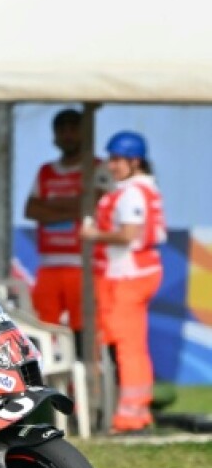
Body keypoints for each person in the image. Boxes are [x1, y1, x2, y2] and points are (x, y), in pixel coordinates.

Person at [81, 130, 165, 434]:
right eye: (111, 158)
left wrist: (94, 236)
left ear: (135, 160)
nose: (111, 165)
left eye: (117, 159)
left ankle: (132, 415)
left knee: (128, 347)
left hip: (128, 275)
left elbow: (129, 234)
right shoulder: (134, 188)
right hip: (126, 274)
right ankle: (132, 410)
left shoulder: (132, 193)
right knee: (125, 344)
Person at [23, 109, 110, 343]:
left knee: (86, 331)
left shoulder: (99, 168)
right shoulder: (46, 171)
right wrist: (77, 206)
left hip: (85, 264)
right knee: (45, 330)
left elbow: (97, 204)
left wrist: (51, 208)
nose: (68, 135)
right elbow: (31, 210)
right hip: (49, 264)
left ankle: (87, 377)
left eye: (73, 129)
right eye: (62, 130)